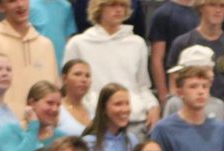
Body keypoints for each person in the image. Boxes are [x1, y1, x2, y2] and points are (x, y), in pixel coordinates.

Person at [62, 0, 158, 136]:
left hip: (133, 120)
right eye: (113, 5)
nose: (118, 10)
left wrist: (153, 106)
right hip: (94, 121)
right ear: (99, 8)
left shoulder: (137, 43)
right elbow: (68, 88)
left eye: (122, 6)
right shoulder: (78, 44)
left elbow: (142, 86)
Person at [0, 0, 57, 119]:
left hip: (41, 129)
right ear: (0, 7)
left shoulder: (46, 45)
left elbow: (54, 90)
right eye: (12, 1)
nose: (20, 5)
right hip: (2, 129)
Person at [151, 62, 224, 151]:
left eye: (205, 87)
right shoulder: (163, 129)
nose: (200, 92)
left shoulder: (221, 128)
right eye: (193, 87)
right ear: (180, 93)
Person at [166, 0, 224, 101]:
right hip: (187, 107)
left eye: (222, 6)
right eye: (212, 5)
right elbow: (174, 86)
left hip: (220, 109)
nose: (218, 10)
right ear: (201, 7)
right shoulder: (182, 43)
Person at [81, 83, 137, 151]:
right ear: (104, 109)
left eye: (127, 103)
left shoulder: (132, 140)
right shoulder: (89, 143)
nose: (125, 109)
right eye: (118, 104)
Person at [147, 0, 197, 106]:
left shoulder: (203, 10)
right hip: (175, 89)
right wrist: (163, 95)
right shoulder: (163, 14)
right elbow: (156, 59)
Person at [29, 0, 75, 67]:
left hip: (61, 63)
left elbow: (69, 37)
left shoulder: (66, 6)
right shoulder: (28, 6)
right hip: (38, 63)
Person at [56, 58, 90, 136]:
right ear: (64, 79)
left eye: (87, 76)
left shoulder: (92, 110)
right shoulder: (57, 109)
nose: (84, 80)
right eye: (77, 74)